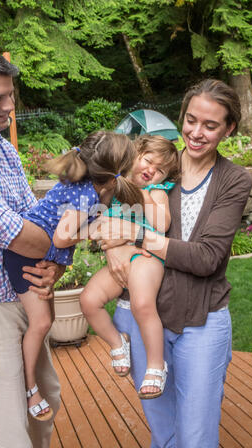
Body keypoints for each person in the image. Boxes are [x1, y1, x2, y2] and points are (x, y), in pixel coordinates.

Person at [89, 79, 252, 448]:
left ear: (228, 129)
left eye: (210, 125)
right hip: (141, 314)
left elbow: (207, 257)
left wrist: (128, 239)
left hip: (201, 319)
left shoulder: (233, 180)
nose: (196, 132)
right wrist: (110, 245)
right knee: (163, 433)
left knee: (194, 437)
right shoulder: (158, 163)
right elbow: (102, 209)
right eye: (191, 120)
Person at [0, 47, 63, 448]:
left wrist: (53, 262)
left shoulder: (1, 148)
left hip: (24, 298)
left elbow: (36, 220)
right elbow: (22, 234)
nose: (9, 106)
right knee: (7, 438)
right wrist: (59, 239)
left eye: (11, 95)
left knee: (44, 410)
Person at [3, 130, 142, 420]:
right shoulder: (86, 192)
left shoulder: (97, 185)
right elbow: (63, 238)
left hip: (38, 252)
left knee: (45, 322)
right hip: (24, 256)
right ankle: (30, 389)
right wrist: (97, 230)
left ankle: (30, 382)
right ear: (114, 170)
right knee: (41, 323)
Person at [80, 136, 180, 399]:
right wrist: (109, 240)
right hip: (121, 257)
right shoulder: (116, 185)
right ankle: (117, 342)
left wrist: (145, 194)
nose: (151, 170)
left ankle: (157, 364)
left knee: (142, 305)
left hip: (146, 257)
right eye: (148, 160)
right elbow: (96, 225)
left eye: (160, 169)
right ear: (135, 154)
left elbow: (161, 226)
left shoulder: (157, 191)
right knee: (88, 300)